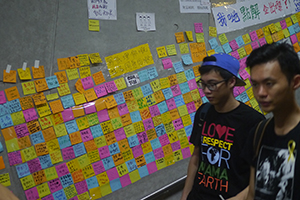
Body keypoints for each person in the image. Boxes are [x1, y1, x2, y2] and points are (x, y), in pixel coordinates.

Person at [181, 53, 265, 200]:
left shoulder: (253, 121)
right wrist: (185, 196)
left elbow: (261, 175)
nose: (207, 90)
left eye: (212, 84)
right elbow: (196, 156)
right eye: (203, 84)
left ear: (231, 81)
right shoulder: (204, 112)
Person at [245, 42, 300, 200]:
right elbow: (252, 193)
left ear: (295, 82)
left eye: (269, 84)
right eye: (255, 85)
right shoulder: (259, 132)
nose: (260, 93)